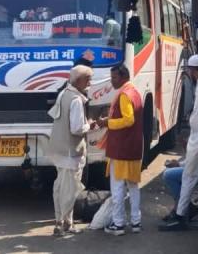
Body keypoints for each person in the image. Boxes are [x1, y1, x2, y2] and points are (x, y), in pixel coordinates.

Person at [160, 54, 198, 231]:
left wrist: (190, 142)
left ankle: (181, 216)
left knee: (189, 177)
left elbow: (197, 119)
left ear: (193, 70)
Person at [95, 65, 144, 236]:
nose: (112, 81)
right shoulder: (134, 92)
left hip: (121, 148)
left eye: (114, 77)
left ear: (123, 77)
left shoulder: (124, 95)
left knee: (117, 187)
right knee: (133, 186)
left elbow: (128, 120)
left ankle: (118, 224)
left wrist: (107, 123)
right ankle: (136, 222)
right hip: (133, 147)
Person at [47, 64, 93, 237]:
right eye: (88, 79)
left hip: (59, 151)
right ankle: (62, 224)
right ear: (79, 81)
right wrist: (90, 125)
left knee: (61, 187)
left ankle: (66, 222)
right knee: (69, 190)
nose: (90, 83)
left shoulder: (63, 94)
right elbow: (77, 129)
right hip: (70, 153)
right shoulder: (76, 100)